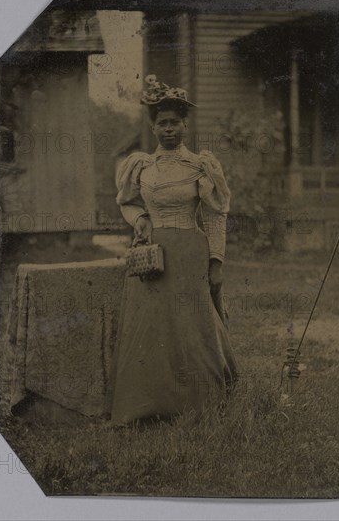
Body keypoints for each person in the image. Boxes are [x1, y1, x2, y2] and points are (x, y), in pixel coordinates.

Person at [109, 75, 238, 427]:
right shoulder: (141, 167)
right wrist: (140, 220)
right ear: (153, 128)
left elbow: (215, 216)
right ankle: (148, 405)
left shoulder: (200, 166)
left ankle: (201, 403)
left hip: (190, 252)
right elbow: (126, 203)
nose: (169, 129)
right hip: (154, 253)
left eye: (175, 123)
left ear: (185, 125)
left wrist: (216, 261)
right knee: (152, 327)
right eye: (162, 123)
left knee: (192, 325)